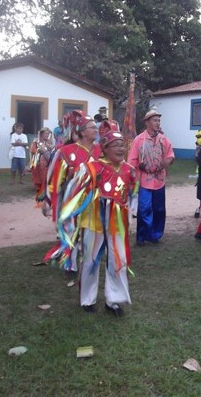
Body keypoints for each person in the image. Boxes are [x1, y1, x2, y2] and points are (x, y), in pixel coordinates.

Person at [55, 125, 137, 316]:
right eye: (115, 145)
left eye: (122, 146)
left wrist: (130, 218)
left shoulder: (129, 170)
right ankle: (87, 299)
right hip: (94, 223)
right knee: (91, 260)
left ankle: (114, 300)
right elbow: (74, 194)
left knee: (118, 259)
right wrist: (69, 218)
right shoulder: (91, 169)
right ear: (105, 148)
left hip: (117, 224)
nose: (120, 149)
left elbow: (131, 197)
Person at [43, 110, 101, 270]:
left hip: (92, 199)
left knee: (89, 230)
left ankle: (88, 260)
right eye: (92, 128)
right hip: (72, 199)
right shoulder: (66, 152)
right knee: (71, 229)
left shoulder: (99, 151)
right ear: (82, 131)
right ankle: (71, 264)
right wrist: (48, 200)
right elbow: (53, 177)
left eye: (96, 128)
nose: (96, 130)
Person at [128, 109, 175, 246]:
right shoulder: (139, 140)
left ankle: (155, 235)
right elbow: (132, 160)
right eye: (154, 120)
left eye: (159, 120)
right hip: (144, 180)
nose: (157, 123)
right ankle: (142, 236)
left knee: (159, 208)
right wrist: (136, 173)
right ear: (147, 122)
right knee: (144, 209)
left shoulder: (163, 139)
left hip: (159, 180)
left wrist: (167, 161)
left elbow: (170, 155)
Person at [28, 127, 55, 197]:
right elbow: (32, 150)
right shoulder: (36, 141)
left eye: (48, 133)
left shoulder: (48, 141)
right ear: (42, 134)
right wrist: (39, 151)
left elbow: (52, 149)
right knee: (39, 171)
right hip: (37, 159)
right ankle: (39, 187)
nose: (47, 135)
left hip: (47, 159)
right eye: (46, 133)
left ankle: (45, 186)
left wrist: (50, 148)